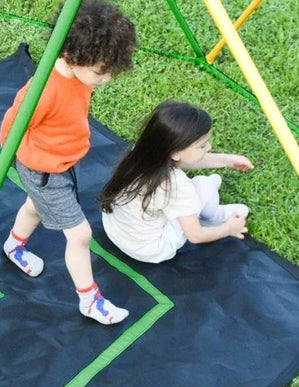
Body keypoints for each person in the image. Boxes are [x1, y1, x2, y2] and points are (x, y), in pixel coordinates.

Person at [0, 0, 137, 325]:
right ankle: (90, 300)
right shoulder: (44, 91)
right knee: (79, 235)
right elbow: (13, 124)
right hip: (44, 171)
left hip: (60, 163)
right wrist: (8, 159)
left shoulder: (79, 74)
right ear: (72, 54)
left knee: (34, 207)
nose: (106, 79)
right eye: (101, 72)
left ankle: (14, 246)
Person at [99, 100, 253, 264]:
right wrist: (229, 228)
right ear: (175, 152)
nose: (209, 147)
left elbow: (181, 160)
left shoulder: (142, 152)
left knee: (199, 189)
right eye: (202, 146)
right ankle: (214, 214)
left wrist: (226, 160)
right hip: (154, 249)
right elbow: (196, 236)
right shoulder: (176, 186)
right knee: (201, 185)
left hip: (116, 231)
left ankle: (207, 193)